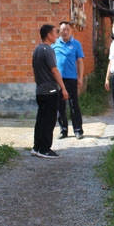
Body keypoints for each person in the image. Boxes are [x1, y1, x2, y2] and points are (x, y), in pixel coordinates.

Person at [31, 24, 69, 158]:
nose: (57, 36)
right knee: (49, 121)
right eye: (55, 33)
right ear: (49, 35)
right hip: (50, 91)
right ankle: (45, 149)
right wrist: (63, 88)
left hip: (40, 90)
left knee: (41, 120)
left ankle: (37, 147)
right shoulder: (48, 50)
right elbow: (54, 70)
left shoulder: (37, 50)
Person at [52, 21, 85, 140]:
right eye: (63, 29)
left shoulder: (76, 44)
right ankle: (63, 130)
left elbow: (80, 62)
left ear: (70, 30)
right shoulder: (54, 44)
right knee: (60, 106)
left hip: (71, 78)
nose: (65, 32)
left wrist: (80, 77)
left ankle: (78, 130)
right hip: (58, 79)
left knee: (73, 104)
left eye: (67, 29)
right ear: (59, 31)